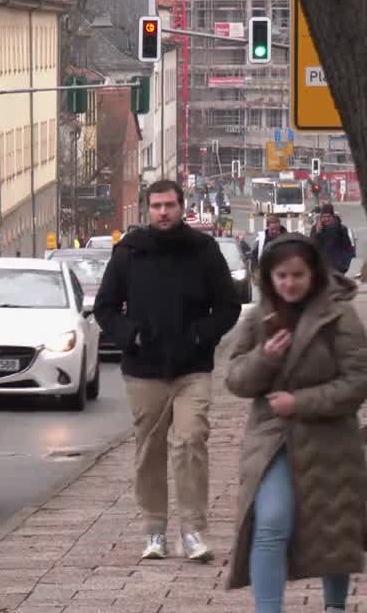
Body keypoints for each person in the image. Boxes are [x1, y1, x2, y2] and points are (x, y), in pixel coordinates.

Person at [93, 179, 241, 562]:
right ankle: (154, 529)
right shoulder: (129, 252)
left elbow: (228, 306)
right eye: (156, 206)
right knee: (150, 451)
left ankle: (192, 530)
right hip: (144, 371)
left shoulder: (203, 250)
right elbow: (105, 307)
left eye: (170, 205)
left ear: (181, 206)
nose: (163, 212)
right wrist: (131, 337)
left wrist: (200, 335)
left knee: (191, 440)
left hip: (192, 368)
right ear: (147, 209)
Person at [221, 234, 367, 613]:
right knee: (271, 523)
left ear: (313, 274)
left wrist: (299, 402)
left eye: (297, 275)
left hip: (329, 439)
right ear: (268, 277)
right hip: (273, 440)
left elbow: (357, 382)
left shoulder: (339, 313)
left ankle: (335, 605)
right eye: (281, 276)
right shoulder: (260, 317)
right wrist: (265, 359)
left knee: (332, 526)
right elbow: (235, 379)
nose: (288, 284)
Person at [312, 203, 355, 274]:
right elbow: (312, 246)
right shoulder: (315, 229)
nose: (326, 219)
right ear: (321, 217)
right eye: (324, 217)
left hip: (338, 268)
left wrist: (344, 265)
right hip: (321, 268)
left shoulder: (341, 229)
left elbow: (348, 248)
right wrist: (317, 233)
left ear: (333, 217)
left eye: (328, 217)